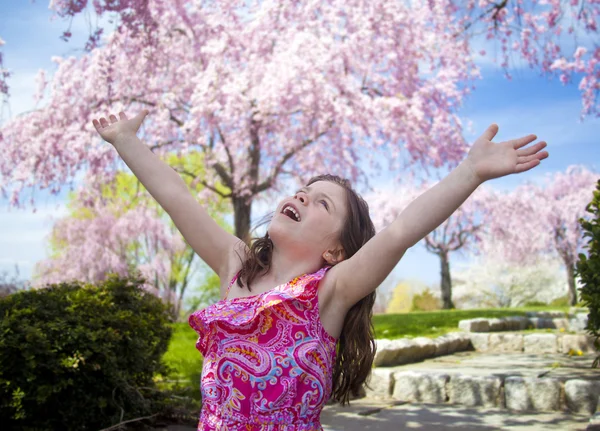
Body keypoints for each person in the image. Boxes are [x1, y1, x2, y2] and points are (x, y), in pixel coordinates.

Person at [92, 110, 549, 430]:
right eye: (304, 192)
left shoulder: (329, 291)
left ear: (336, 251)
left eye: (322, 203)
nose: (303, 197)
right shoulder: (234, 267)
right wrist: (127, 141)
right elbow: (178, 198)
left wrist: (469, 173)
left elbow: (399, 232)